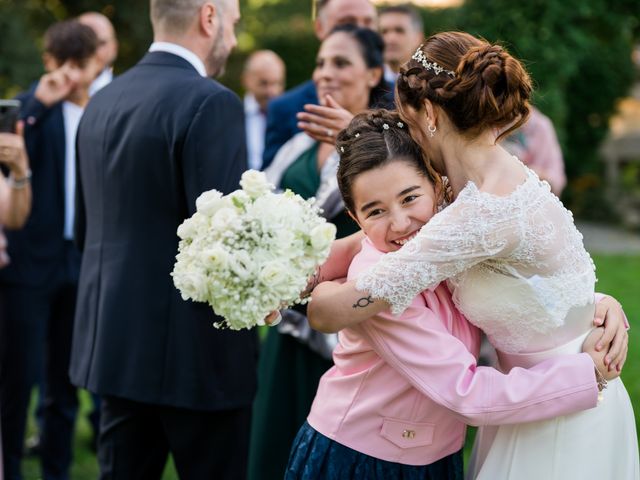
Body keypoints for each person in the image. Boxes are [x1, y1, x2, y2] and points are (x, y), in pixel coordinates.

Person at [307, 32, 638, 479]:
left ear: (428, 113)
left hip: (561, 403)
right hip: (531, 399)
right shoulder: (476, 186)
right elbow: (540, 280)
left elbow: (331, 312)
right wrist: (598, 304)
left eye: (406, 121)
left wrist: (318, 291)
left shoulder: (480, 216)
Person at [70, 0, 258, 478]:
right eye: (233, 25)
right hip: (197, 360)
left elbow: (88, 231)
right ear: (209, 17)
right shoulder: (212, 101)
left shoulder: (101, 101)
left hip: (113, 348)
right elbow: (225, 247)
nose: (233, 40)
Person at [248, 25, 393, 480]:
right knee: (275, 445)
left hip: (347, 331)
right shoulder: (299, 141)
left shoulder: (391, 145)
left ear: (373, 73)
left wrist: (353, 140)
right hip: (289, 328)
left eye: (341, 63)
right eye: (321, 63)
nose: (325, 73)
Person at [0, 19, 101, 480]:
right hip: (28, 264)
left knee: (65, 380)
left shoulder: (102, 113)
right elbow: (11, 149)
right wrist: (41, 101)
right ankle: (12, 468)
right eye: (63, 65)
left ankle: (57, 470)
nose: (72, 76)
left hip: (79, 261)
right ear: (48, 62)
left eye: (80, 66)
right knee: (18, 377)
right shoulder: (28, 108)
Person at [261, 0, 377, 169]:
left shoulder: (402, 103)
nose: (360, 31)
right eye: (347, 23)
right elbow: (265, 185)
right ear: (320, 28)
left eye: (368, 22)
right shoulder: (284, 108)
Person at [501, 106, 566, 195]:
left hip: (528, 195)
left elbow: (556, 180)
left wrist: (532, 173)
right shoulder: (489, 126)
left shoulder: (541, 126)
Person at [241, 50, 285, 170]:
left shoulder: (291, 116)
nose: (272, 91)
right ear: (246, 80)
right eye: (264, 83)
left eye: (277, 83)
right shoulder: (232, 115)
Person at [379, 4, 424, 84]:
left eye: (399, 30)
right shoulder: (364, 83)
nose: (390, 39)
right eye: (384, 32)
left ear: (418, 37)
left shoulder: (430, 83)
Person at [78, 12, 118, 96]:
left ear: (114, 47)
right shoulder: (49, 93)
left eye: (101, 43)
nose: (93, 50)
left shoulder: (127, 92)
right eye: (84, 42)